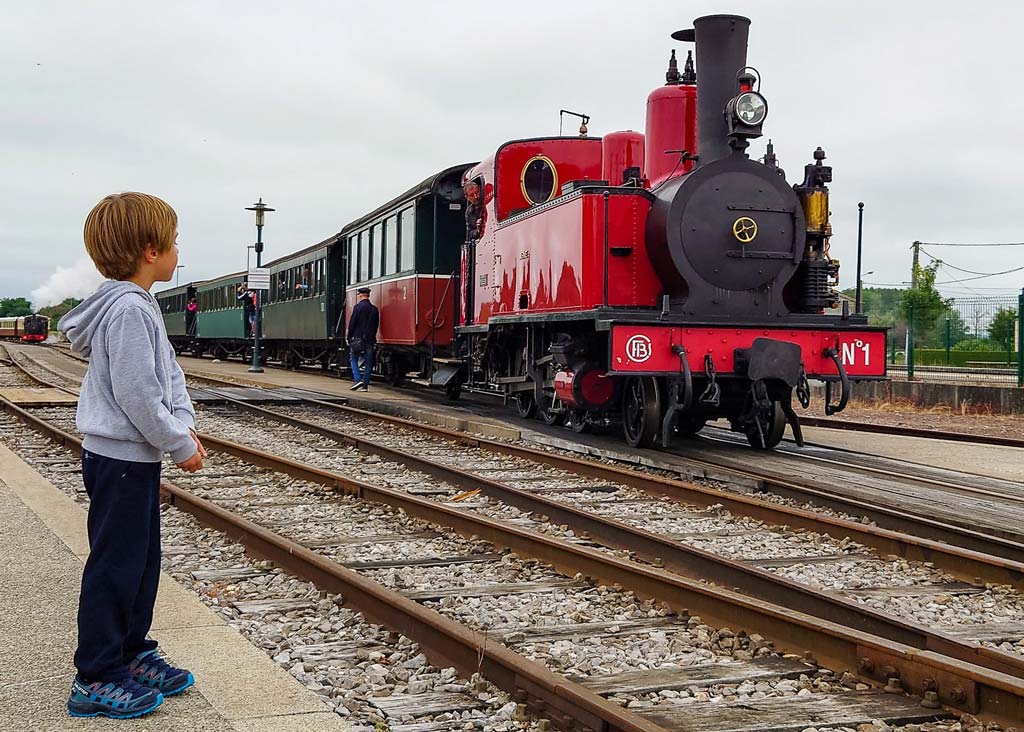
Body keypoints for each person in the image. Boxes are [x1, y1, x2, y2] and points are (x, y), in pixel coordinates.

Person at [58, 192, 205, 719]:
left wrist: (181, 421)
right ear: (149, 250)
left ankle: (130, 652)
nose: (177, 252)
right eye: (172, 243)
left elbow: (168, 377)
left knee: (141, 562)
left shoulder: (137, 306)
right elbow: (138, 393)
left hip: (133, 459)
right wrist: (179, 442)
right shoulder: (126, 311)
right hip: (120, 458)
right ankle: (96, 674)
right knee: (116, 566)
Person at [347, 286, 379, 391]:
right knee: (368, 362)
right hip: (369, 339)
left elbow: (352, 323)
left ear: (360, 295)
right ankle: (365, 385)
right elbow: (376, 325)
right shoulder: (374, 309)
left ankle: (357, 380)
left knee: (353, 358)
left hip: (357, 339)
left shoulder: (358, 308)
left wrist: (349, 336)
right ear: (368, 296)